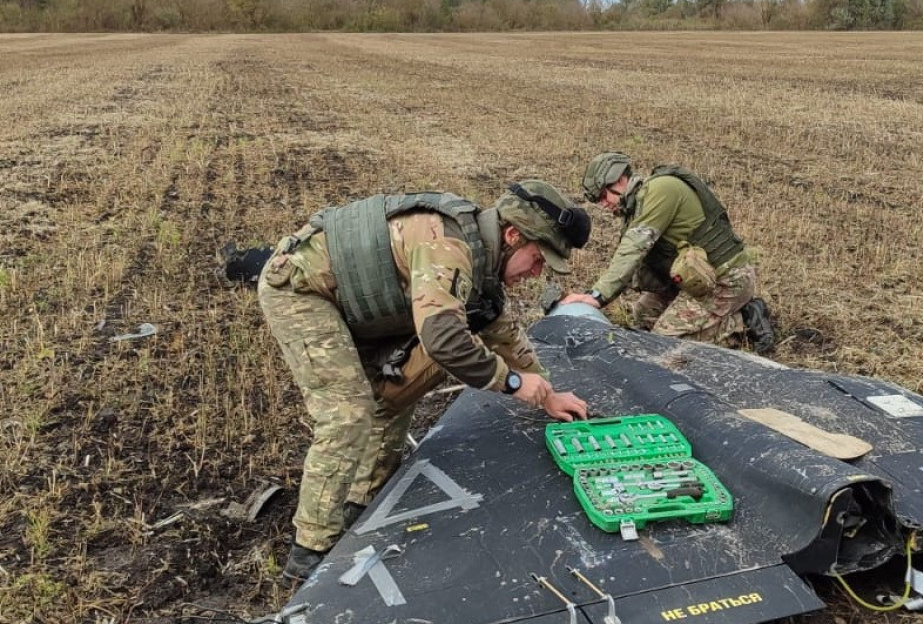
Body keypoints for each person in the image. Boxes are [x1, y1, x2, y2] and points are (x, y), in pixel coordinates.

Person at [258, 181, 591, 580]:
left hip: (363, 308)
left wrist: (547, 392)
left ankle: (360, 501)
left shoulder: (482, 262)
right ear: (513, 236)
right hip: (303, 291)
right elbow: (445, 339)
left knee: (396, 390)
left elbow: (501, 332)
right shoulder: (448, 246)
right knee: (348, 411)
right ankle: (311, 548)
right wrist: (515, 385)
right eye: (537, 259)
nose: (536, 273)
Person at [561, 152, 776, 353]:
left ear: (618, 180)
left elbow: (633, 248)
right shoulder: (638, 207)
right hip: (692, 280)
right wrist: (592, 295)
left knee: (664, 345)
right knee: (642, 318)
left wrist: (598, 296)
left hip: (725, 278)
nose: (603, 204)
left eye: (603, 195)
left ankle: (743, 323)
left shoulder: (661, 190)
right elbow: (631, 264)